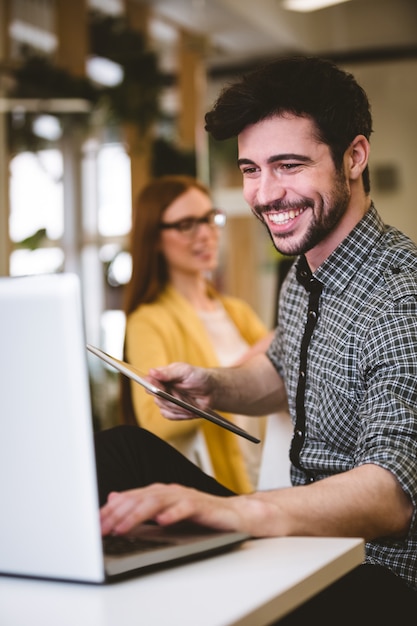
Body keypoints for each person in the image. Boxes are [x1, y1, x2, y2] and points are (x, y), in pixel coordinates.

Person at [95, 56, 417, 622]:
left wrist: (238, 513)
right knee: (120, 450)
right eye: (250, 170)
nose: (265, 194)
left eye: (288, 165)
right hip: (302, 548)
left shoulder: (401, 294)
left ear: (354, 156)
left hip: (373, 577)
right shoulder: (305, 272)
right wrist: (211, 386)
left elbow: (392, 495)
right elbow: (283, 369)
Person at [120, 174, 274, 493]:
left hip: (270, 478)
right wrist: (229, 378)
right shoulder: (148, 320)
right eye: (186, 224)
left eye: (208, 219)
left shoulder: (236, 311)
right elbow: (152, 422)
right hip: (217, 489)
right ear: (155, 239)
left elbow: (280, 370)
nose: (206, 234)